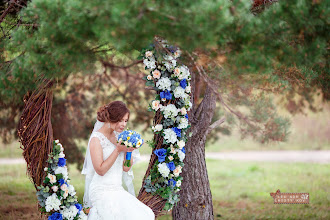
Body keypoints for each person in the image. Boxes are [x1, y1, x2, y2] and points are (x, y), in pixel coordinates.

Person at [81, 101, 155, 219]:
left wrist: (129, 151)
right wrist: (117, 150)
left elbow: (126, 168)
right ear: (111, 118)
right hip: (101, 190)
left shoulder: (119, 137)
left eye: (126, 121)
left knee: (146, 214)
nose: (124, 124)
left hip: (117, 189)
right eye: (121, 120)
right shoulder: (96, 139)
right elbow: (100, 170)